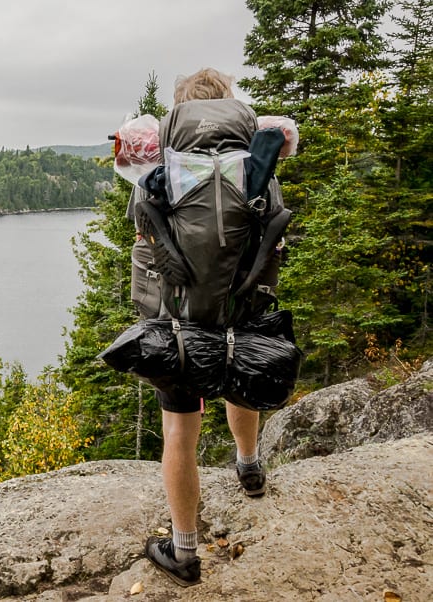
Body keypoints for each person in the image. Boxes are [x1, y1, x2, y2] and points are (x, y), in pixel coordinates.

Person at [136, 68, 271, 588]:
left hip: (180, 315)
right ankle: (249, 465)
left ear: (181, 108)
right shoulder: (253, 158)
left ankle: (185, 552)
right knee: (240, 381)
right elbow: (273, 221)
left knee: (179, 428)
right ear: (228, 104)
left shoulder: (165, 162)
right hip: (242, 304)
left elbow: (143, 226)